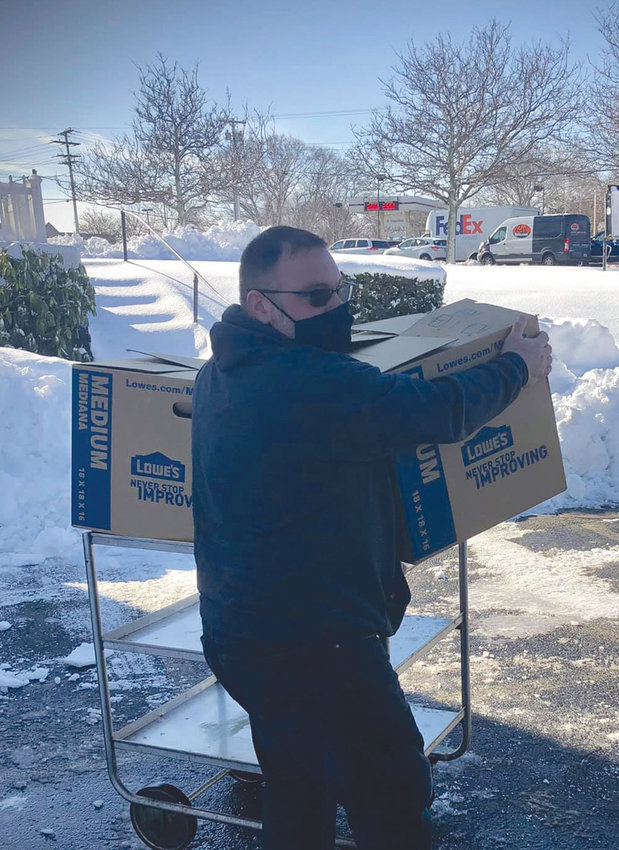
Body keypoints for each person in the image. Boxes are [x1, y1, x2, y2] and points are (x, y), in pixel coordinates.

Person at [192, 226, 552, 850]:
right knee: (390, 796)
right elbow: (434, 409)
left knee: (299, 786)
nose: (336, 308)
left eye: (339, 290)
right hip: (315, 645)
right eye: (316, 296)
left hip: (241, 633)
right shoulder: (308, 384)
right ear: (260, 304)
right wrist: (518, 366)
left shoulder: (221, 373)